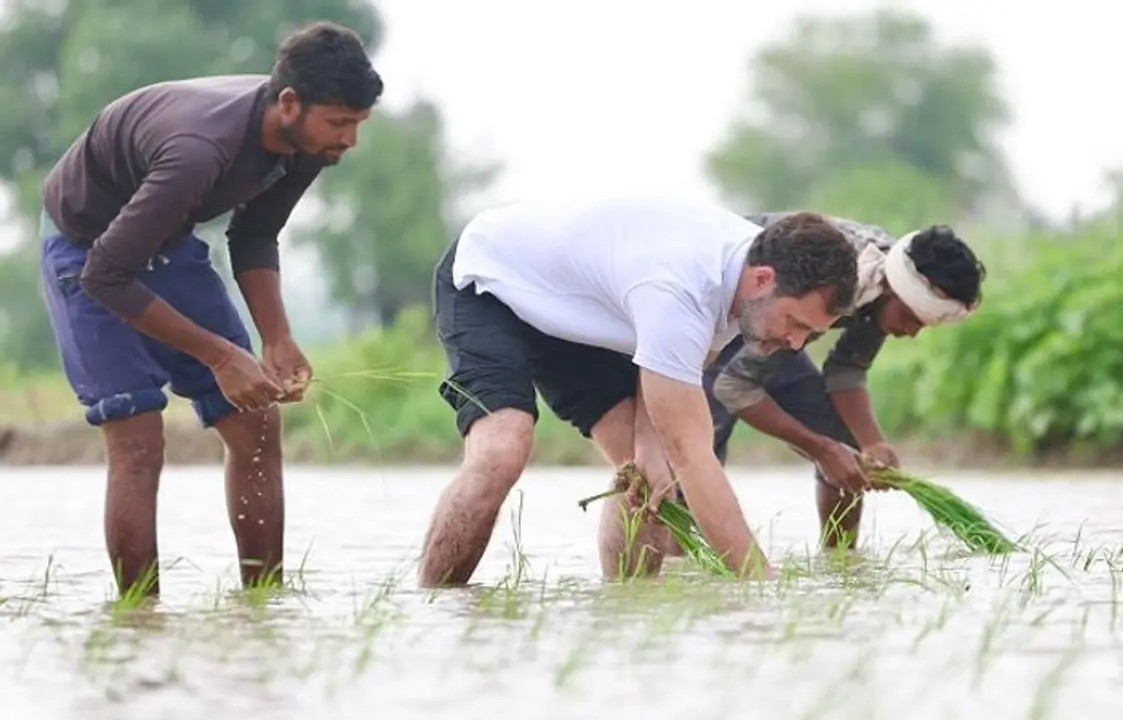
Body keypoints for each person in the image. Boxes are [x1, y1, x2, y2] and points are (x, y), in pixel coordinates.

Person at [37, 21, 383, 597]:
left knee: (256, 421)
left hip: (165, 240)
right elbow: (107, 273)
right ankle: (138, 620)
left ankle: (263, 604)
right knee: (137, 438)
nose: (349, 140)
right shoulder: (199, 150)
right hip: (85, 247)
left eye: (357, 124)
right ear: (290, 103)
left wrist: (276, 337)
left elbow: (253, 236)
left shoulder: (308, 145)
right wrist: (222, 355)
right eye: (341, 123)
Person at [420, 193, 861, 586]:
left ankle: (629, 613)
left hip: (594, 312)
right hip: (492, 281)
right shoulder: (680, 286)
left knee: (650, 477)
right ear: (764, 280)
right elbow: (694, 453)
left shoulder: (745, 282)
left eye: (811, 334)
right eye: (796, 324)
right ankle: (433, 605)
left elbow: (671, 377)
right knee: (503, 448)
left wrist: (650, 451)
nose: (795, 344)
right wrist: (760, 581)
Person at [700, 213, 985, 550]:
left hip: (784, 332)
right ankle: (680, 562)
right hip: (732, 310)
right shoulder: (843, 283)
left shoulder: (886, 285)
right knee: (698, 450)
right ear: (896, 290)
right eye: (909, 319)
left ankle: (840, 561)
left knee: (844, 449)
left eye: (921, 325)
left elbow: (846, 369)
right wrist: (820, 449)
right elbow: (735, 386)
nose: (910, 333)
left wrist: (871, 444)